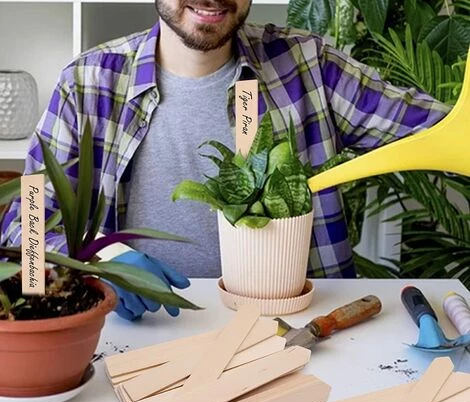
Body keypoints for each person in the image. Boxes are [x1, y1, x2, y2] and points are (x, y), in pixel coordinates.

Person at [1, 0, 450, 320]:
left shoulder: (310, 66)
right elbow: (26, 226)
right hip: (141, 332)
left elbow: (437, 129)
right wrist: (103, 258)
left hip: (296, 330)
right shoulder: (88, 82)